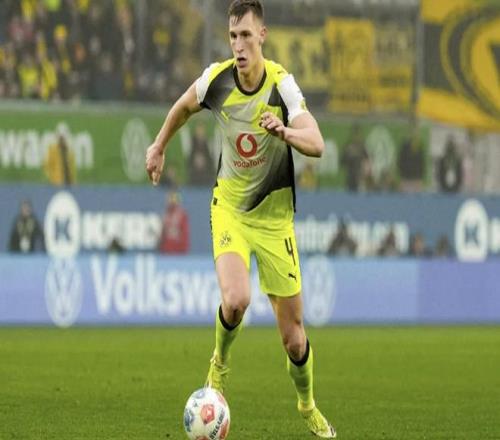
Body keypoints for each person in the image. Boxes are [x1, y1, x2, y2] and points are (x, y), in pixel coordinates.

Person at [145, 1, 336, 437]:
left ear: (262, 36)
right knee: (236, 300)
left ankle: (307, 405)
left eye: (246, 35)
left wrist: (285, 131)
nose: (239, 45)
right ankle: (219, 365)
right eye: (233, 36)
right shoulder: (217, 79)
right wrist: (158, 146)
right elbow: (182, 106)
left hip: (275, 221)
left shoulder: (282, 86)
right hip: (230, 208)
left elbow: (317, 143)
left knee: (295, 339)